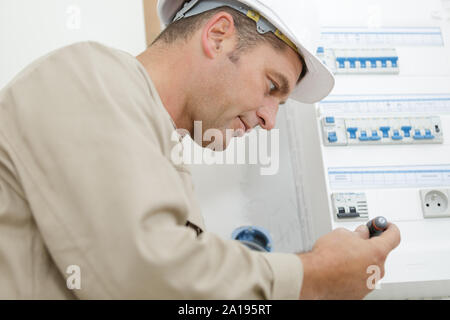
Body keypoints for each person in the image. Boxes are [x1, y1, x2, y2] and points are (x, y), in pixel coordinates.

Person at [0, 0, 400, 299]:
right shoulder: (88, 75)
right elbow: (146, 278)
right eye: (272, 86)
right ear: (218, 35)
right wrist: (314, 276)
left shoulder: (156, 146)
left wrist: (315, 266)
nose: (269, 120)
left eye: (279, 105)